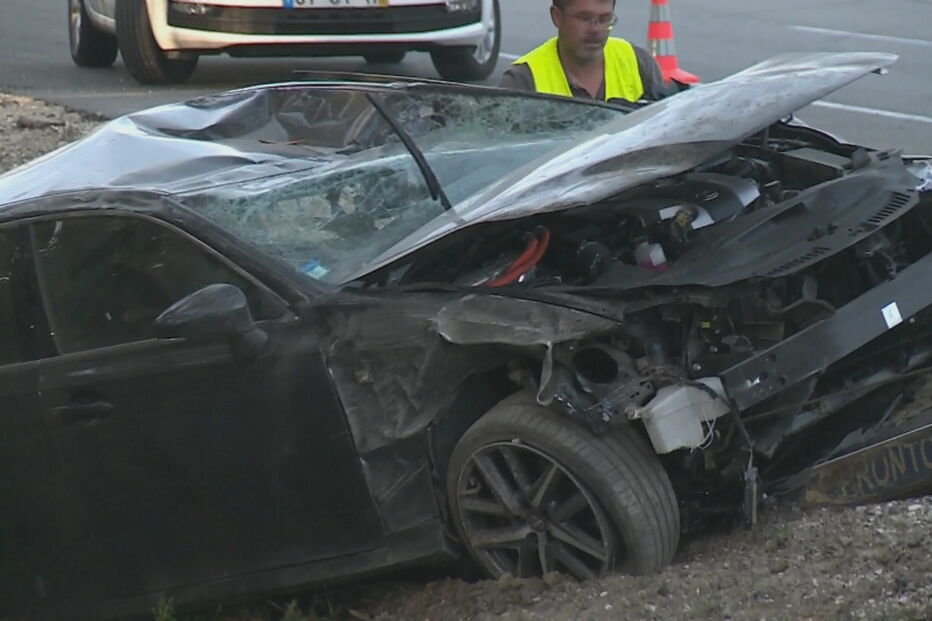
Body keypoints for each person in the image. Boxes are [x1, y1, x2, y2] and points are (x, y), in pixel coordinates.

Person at [499, 0, 667, 103]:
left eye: (605, 19)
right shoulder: (523, 80)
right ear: (556, 17)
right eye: (584, 18)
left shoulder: (638, 62)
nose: (596, 30)